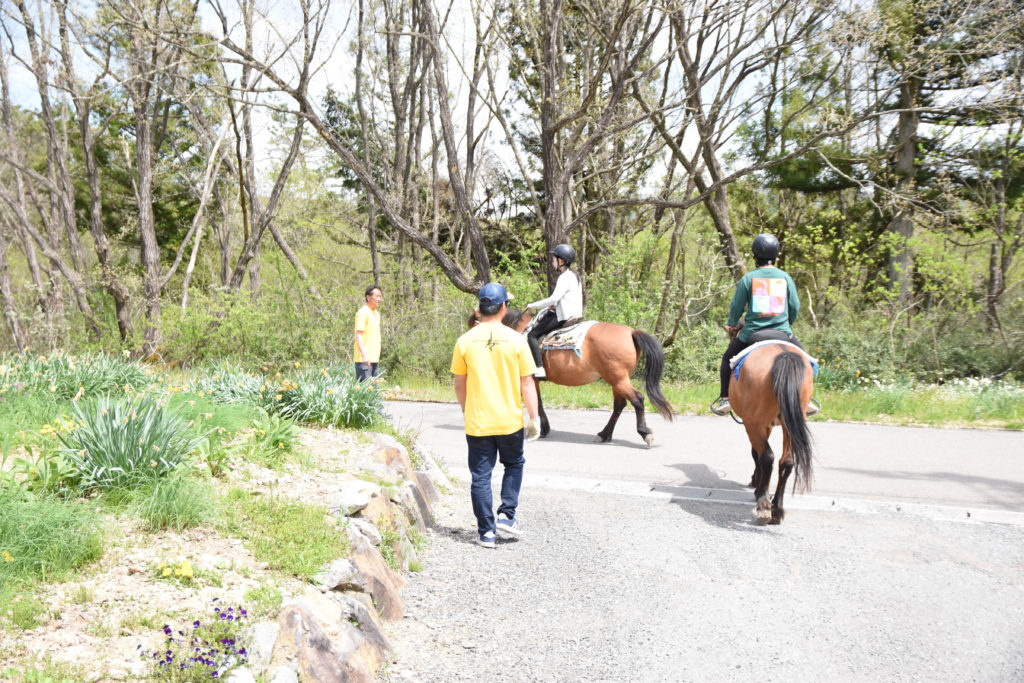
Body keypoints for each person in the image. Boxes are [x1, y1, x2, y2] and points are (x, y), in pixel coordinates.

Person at [451, 283, 541, 549]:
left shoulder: (465, 340)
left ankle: (486, 532)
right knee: (513, 464)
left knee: (480, 476)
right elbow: (527, 383)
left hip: (478, 421)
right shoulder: (516, 340)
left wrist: (467, 409)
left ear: (480, 308)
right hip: (509, 420)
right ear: (503, 308)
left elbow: (460, 382)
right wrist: (534, 418)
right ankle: (507, 514)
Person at [711, 234, 815, 416]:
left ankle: (725, 399)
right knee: (807, 362)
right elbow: (795, 306)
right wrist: (786, 323)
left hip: (752, 334)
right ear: (776, 255)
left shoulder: (748, 278)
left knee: (727, 359)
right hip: (782, 334)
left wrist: (732, 323)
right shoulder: (785, 278)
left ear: (755, 256)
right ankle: (808, 398)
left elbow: (736, 307)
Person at [526, 244, 584, 379]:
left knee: (532, 335)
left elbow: (553, 298)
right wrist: (555, 306)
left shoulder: (564, 277)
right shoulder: (575, 276)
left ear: (561, 261)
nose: (552, 262)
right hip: (575, 314)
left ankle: (539, 368)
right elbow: (566, 298)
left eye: (554, 259)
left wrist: (532, 305)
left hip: (564, 317)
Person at [354, 285, 383, 381]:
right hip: (364, 360)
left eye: (380, 296)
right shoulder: (362, 313)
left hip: (374, 359)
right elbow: (358, 335)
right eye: (377, 296)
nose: (379, 299)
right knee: (365, 392)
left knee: (373, 393)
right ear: (368, 297)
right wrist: (364, 354)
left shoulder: (376, 314)